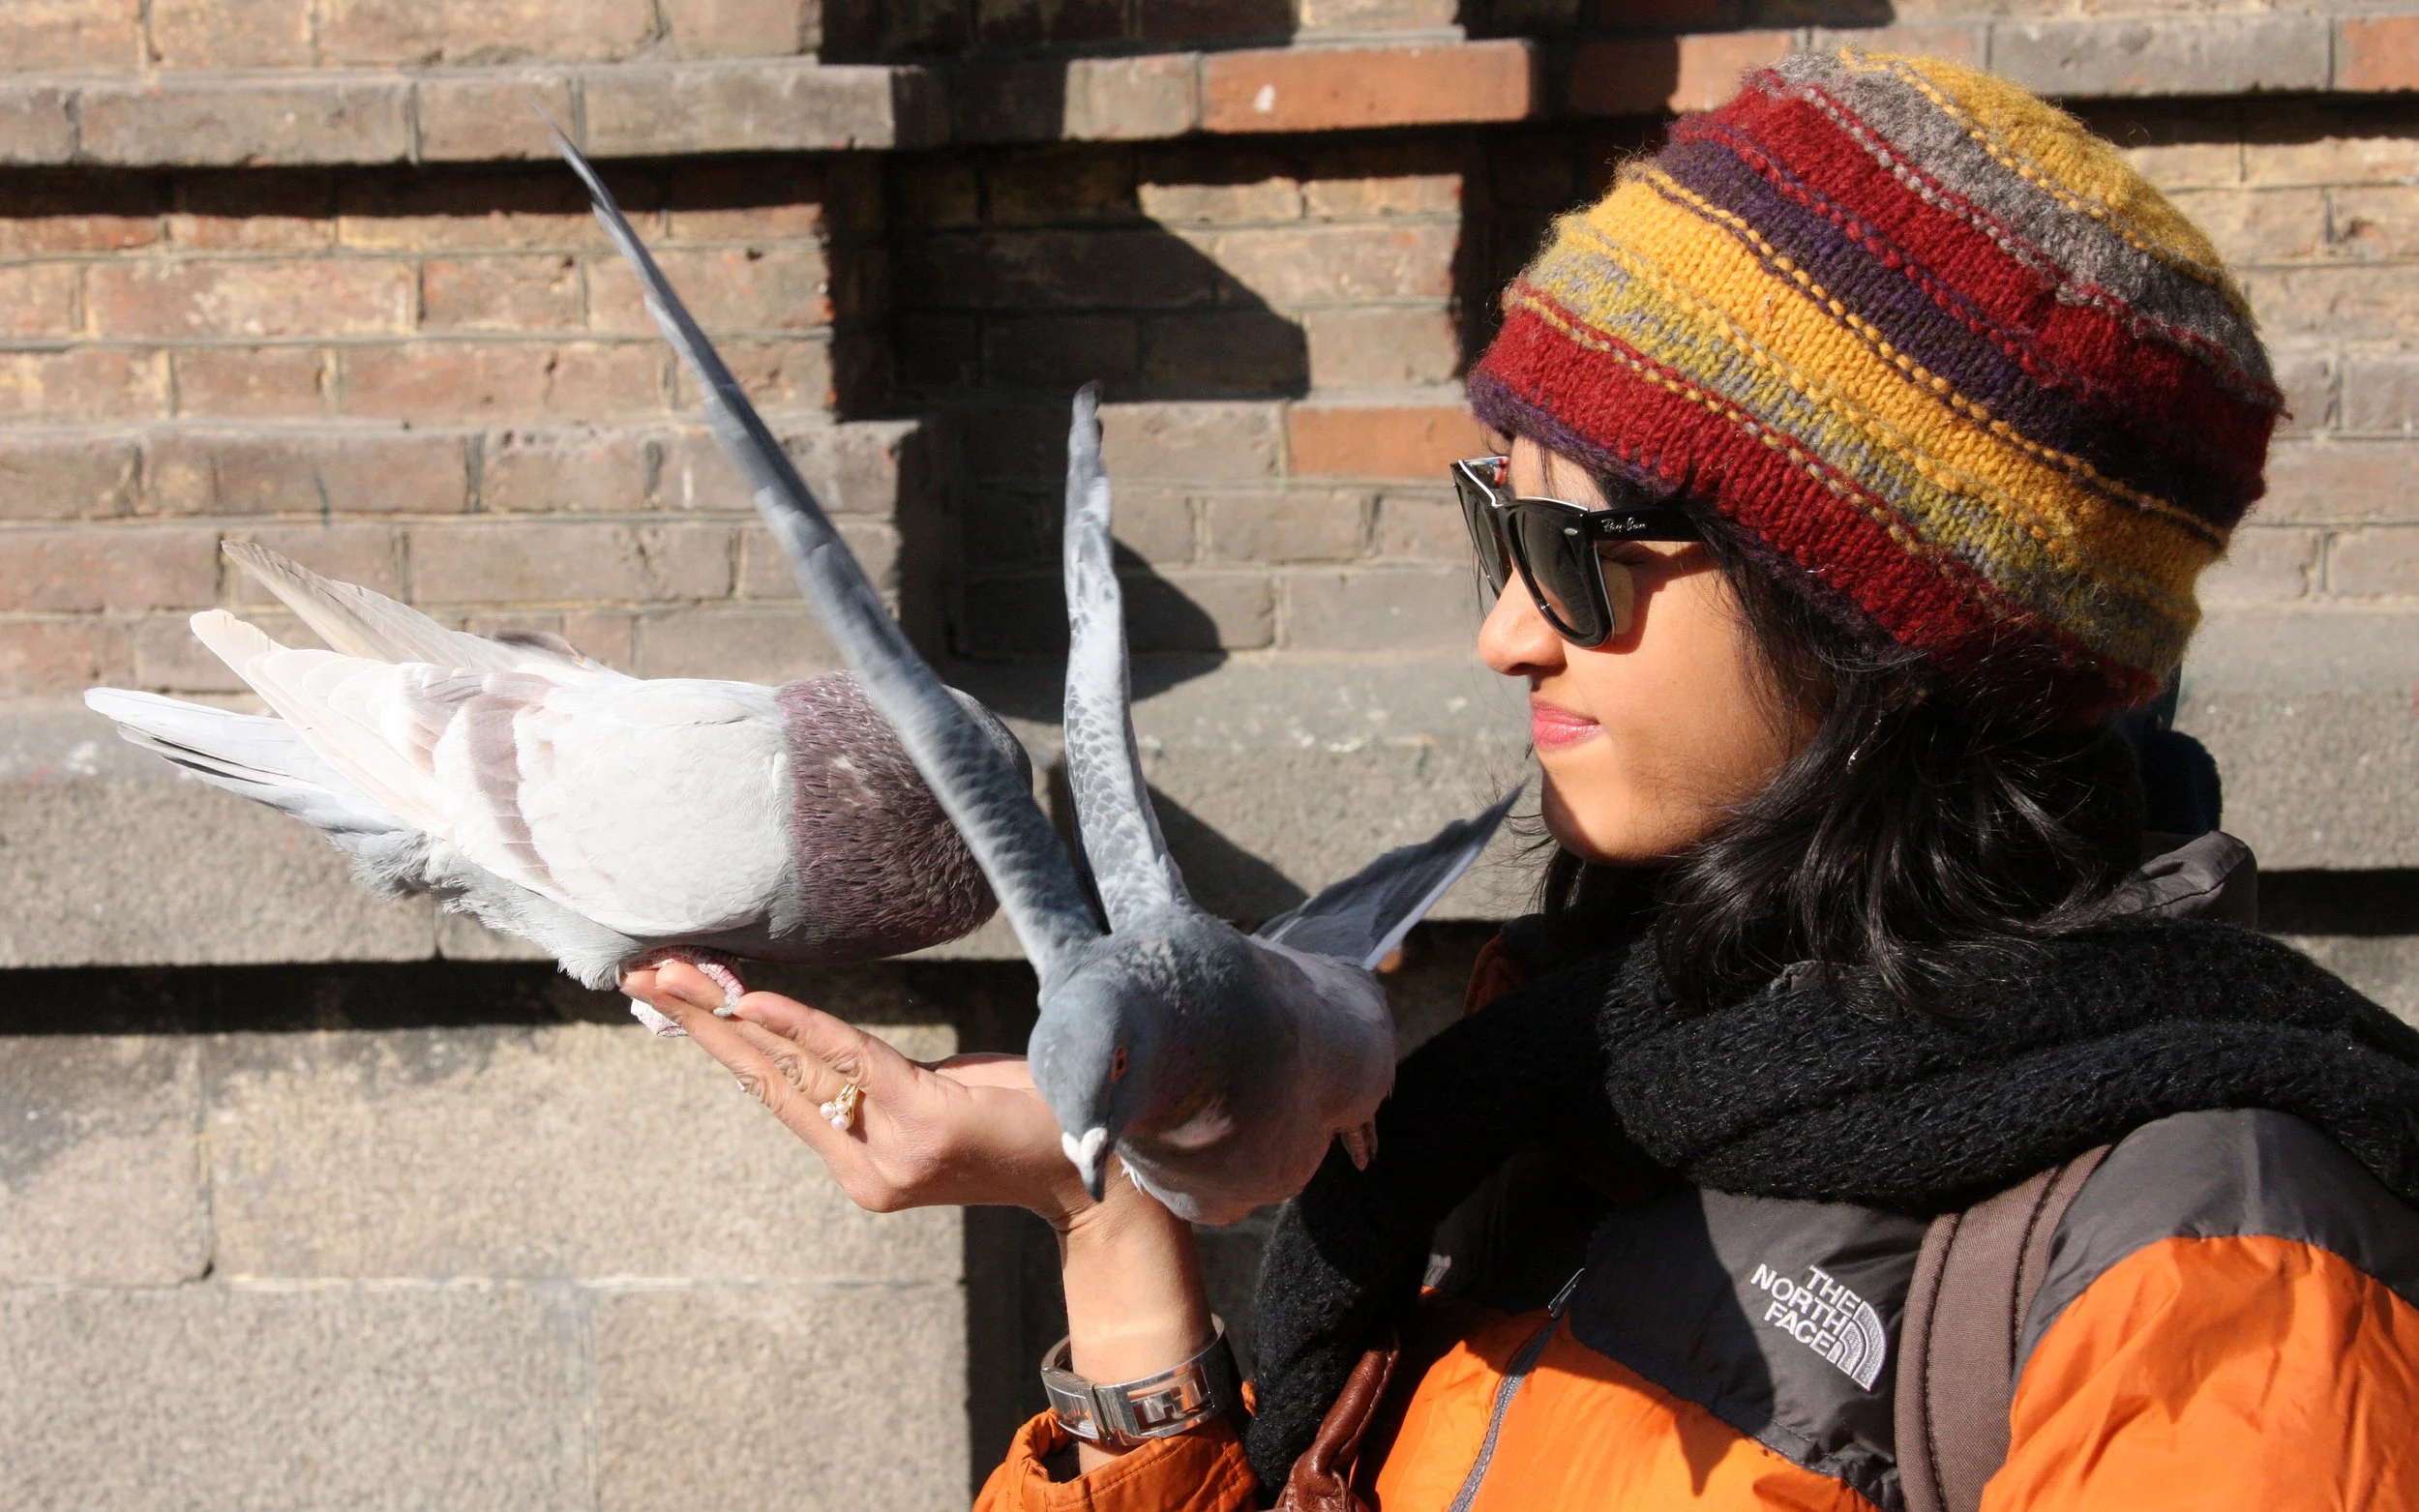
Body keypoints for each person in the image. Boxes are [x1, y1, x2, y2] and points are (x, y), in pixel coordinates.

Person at [625, 48, 2419, 1512]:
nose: (1504, 630)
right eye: (1499, 517)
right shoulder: (1575, 1068)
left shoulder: (2216, 1271)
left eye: (1583, 545)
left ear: (1879, 614)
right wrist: (1101, 1220)